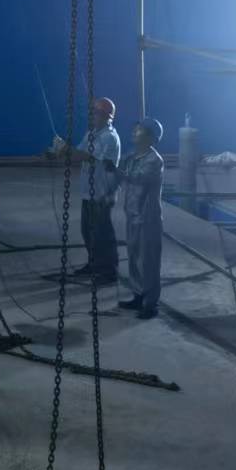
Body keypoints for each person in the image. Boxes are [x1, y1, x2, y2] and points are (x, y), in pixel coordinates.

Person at [118, 117, 165, 319]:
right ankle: (138, 295)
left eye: (140, 130)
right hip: (133, 213)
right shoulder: (133, 157)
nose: (135, 132)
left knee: (149, 262)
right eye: (136, 129)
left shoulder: (154, 160)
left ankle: (150, 304)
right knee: (134, 258)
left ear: (151, 138)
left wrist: (117, 172)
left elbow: (139, 178)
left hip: (148, 218)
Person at [72, 97, 121, 284]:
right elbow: (79, 152)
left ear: (107, 116)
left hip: (102, 193)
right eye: (93, 112)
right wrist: (58, 152)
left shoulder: (109, 137)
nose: (93, 116)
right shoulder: (92, 134)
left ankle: (109, 271)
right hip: (89, 192)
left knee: (102, 233)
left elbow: (88, 156)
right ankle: (94, 264)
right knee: (87, 231)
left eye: (97, 113)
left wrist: (64, 150)